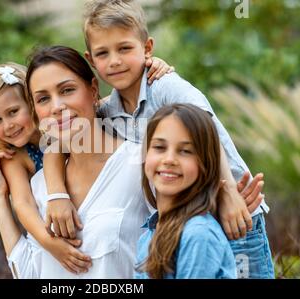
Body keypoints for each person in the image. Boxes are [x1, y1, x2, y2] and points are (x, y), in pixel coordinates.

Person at [79, 0, 274, 278]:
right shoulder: (109, 112)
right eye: (103, 53)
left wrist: (228, 192)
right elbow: (64, 129)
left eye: (125, 48)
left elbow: (206, 128)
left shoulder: (166, 86)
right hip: (183, 223)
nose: (115, 61)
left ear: (147, 48)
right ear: (91, 60)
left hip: (236, 211)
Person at [0, 60, 172, 277]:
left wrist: (150, 67)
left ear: (31, 105)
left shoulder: (63, 127)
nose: (8, 125)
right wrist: (51, 244)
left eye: (13, 112)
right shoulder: (14, 157)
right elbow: (22, 204)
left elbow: (113, 99)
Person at [136, 104, 236, 279]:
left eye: (185, 151)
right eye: (159, 147)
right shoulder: (148, 235)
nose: (169, 159)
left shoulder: (198, 234)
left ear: (206, 162)